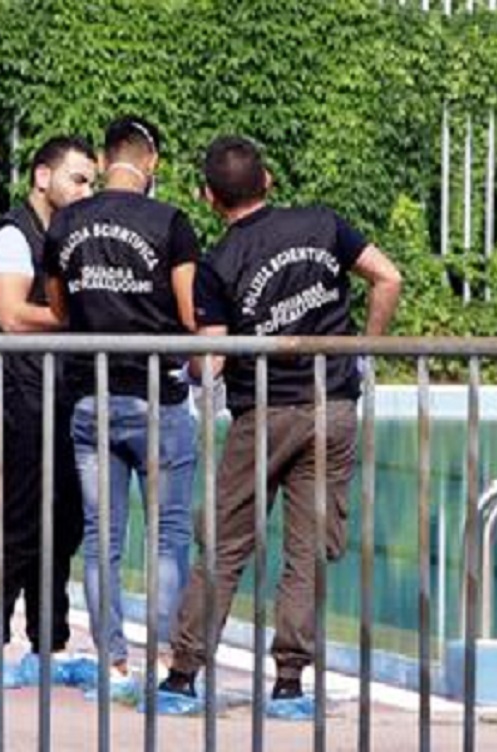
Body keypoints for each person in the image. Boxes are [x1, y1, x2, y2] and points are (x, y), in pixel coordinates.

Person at [157, 135, 402, 711]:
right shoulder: (324, 224)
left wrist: (183, 363)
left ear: (210, 199)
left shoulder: (218, 264)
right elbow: (387, 277)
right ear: (268, 180)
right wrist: (365, 349)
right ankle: (290, 684)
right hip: (332, 405)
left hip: (263, 414)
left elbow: (213, 360)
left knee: (225, 543)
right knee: (307, 551)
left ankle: (183, 677)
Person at [44, 116, 200, 700]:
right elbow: (189, 314)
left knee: (101, 540)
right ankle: (165, 667)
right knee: (166, 537)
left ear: (107, 159)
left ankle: (113, 666)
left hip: (90, 398)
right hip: (157, 396)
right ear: (150, 162)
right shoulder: (170, 222)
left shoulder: (67, 222)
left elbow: (60, 310)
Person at [0, 136, 96, 688]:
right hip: (22, 397)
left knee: (63, 523)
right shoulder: (12, 236)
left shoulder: (67, 239)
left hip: (62, 396)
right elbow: (12, 314)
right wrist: (82, 316)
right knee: (20, 520)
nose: (87, 190)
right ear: (43, 177)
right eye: (78, 179)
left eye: (91, 180)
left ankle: (50, 645)